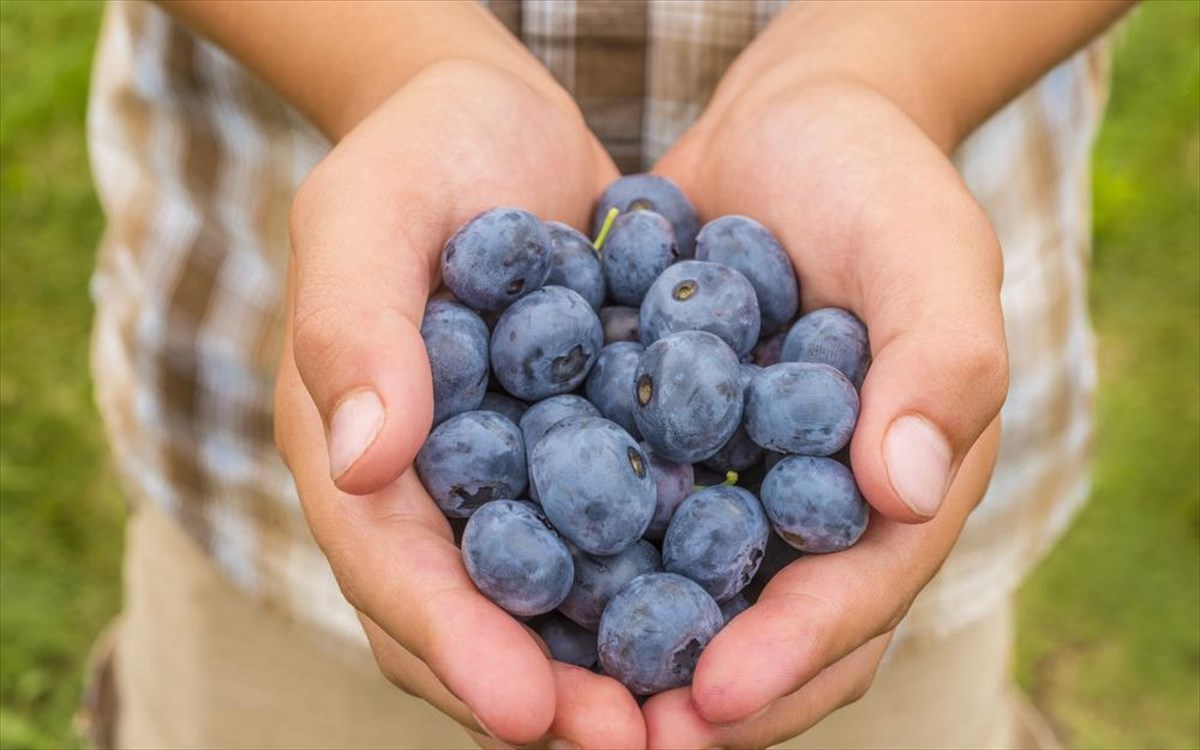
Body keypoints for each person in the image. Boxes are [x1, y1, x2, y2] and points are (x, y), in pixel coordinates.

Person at [83, 1, 1131, 748]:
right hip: (263, 526)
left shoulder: (703, 410)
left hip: (896, 611)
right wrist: (394, 63)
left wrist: (883, 70)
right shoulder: (569, 407)